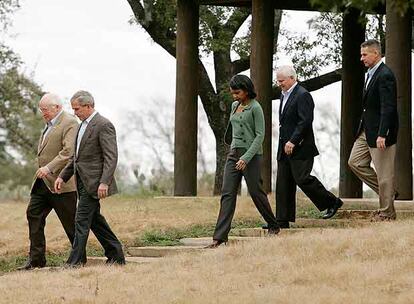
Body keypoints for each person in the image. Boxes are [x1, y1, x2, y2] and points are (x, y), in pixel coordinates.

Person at [206, 75, 280, 249]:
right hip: (234, 153)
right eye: (233, 93)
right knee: (227, 193)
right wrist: (234, 151)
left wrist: (245, 158)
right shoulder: (234, 105)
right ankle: (220, 237)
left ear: (247, 90)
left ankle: (273, 225)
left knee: (255, 192)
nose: (235, 96)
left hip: (251, 155)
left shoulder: (256, 108)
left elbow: (260, 136)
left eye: (237, 93)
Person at [55, 90, 125, 266]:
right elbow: (76, 158)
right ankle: (116, 255)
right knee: (95, 221)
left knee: (81, 219)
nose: (74, 113)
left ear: (88, 106)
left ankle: (75, 262)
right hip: (81, 182)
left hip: (94, 183)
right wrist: (63, 177)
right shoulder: (81, 126)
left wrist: (104, 182)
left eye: (77, 109)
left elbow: (111, 157)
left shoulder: (103, 125)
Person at [275, 65, 343, 228]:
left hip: (300, 147)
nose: (279, 84)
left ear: (292, 78)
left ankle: (332, 202)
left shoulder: (302, 95)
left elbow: (305, 121)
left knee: (302, 179)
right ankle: (281, 220)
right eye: (278, 81)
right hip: (284, 147)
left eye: (282, 81)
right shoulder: (283, 95)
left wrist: (293, 140)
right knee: (283, 183)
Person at [18, 93, 78, 270]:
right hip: (43, 184)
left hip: (62, 183)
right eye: (41, 110)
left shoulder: (70, 122)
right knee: (33, 214)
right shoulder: (48, 124)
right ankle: (36, 260)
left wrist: (48, 168)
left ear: (57, 107)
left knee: (70, 223)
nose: (42, 113)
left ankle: (78, 259)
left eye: (45, 110)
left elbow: (68, 152)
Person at [348, 39, 398, 221]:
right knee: (355, 162)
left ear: (376, 54)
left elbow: (388, 107)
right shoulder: (370, 73)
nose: (361, 58)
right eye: (361, 54)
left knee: (385, 175)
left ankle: (386, 213)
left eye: (364, 54)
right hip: (366, 130)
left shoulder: (385, 75)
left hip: (381, 133)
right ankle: (389, 192)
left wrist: (382, 133)